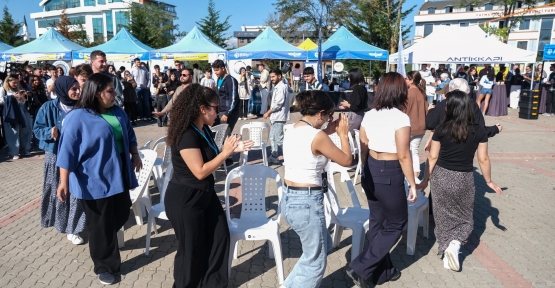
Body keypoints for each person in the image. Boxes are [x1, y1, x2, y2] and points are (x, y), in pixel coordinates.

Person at [56, 73, 142, 285]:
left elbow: (129, 134)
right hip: (92, 179)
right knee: (100, 224)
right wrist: (63, 181)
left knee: (121, 212)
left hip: (119, 174)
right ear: (96, 93)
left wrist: (135, 153)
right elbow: (67, 151)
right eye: (110, 91)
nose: (115, 95)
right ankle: (104, 266)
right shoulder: (78, 118)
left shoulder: (118, 112)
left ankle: (102, 240)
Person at [164, 83, 253, 287]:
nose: (219, 113)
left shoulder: (203, 129)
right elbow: (200, 171)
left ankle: (212, 283)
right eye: (216, 108)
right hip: (186, 199)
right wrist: (225, 153)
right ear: (202, 109)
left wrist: (233, 149)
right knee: (191, 251)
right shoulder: (186, 134)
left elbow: (211, 154)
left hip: (205, 194)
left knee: (220, 238)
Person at [347, 72, 418, 287]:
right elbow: (404, 154)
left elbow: (364, 144)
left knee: (378, 221)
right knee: (397, 223)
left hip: (371, 167)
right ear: (399, 91)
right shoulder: (400, 118)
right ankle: (361, 266)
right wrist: (413, 184)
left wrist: (365, 170)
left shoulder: (371, 114)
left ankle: (382, 272)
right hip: (389, 170)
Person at [419, 90, 502, 272]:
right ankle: (455, 245)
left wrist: (425, 179)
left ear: (452, 108)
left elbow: (432, 158)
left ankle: (447, 247)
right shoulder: (479, 130)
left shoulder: (441, 129)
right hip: (464, 178)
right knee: (465, 217)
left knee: (442, 216)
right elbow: (483, 159)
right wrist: (488, 181)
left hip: (441, 177)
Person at [282, 90, 352, 287]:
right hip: (306, 203)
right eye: (329, 116)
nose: (329, 119)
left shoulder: (293, 128)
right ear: (321, 113)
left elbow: (311, 144)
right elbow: (347, 160)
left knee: (321, 248)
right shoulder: (318, 136)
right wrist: (343, 135)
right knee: (315, 262)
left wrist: (328, 131)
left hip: (289, 199)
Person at [34, 76, 86, 245]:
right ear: (63, 90)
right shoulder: (48, 107)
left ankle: (74, 228)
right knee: (60, 193)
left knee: (76, 194)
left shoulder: (84, 107)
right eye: (74, 88)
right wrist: (50, 132)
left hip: (78, 157)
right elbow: (37, 129)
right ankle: (62, 224)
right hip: (55, 156)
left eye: (78, 87)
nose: (78, 91)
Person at [1, 74, 32, 159]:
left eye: (17, 82)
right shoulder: (3, 89)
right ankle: (13, 152)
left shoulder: (18, 89)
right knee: (12, 132)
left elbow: (22, 102)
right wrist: (11, 97)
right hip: (9, 112)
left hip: (19, 110)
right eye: (14, 82)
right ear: (8, 82)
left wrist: (22, 97)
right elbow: (1, 100)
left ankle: (24, 150)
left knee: (24, 129)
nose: (16, 84)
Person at [263, 69, 290, 164]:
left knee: (279, 139)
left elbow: (278, 103)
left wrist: (268, 112)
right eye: (271, 77)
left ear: (279, 76)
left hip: (279, 116)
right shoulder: (277, 86)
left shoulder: (282, 87)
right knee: (272, 137)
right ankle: (274, 156)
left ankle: (290, 156)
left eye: (273, 76)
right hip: (275, 116)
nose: (272, 79)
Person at [405, 71, 428, 178]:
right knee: (414, 151)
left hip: (409, 127)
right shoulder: (422, 93)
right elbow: (426, 110)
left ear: (411, 80)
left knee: (406, 152)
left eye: (406, 78)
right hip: (421, 127)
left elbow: (403, 111)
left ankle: (408, 175)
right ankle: (415, 175)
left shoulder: (408, 93)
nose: (405, 80)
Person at [212, 60, 240, 137]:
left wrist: (227, 113)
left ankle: (227, 148)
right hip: (220, 111)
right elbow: (219, 95)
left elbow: (233, 98)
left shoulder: (231, 80)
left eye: (217, 70)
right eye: (214, 71)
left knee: (224, 136)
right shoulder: (219, 79)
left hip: (229, 112)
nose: (216, 72)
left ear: (223, 68)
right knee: (214, 133)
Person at [339, 68, 368, 135]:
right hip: (361, 115)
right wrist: (347, 105)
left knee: (348, 135)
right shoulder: (363, 88)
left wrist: (347, 104)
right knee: (355, 136)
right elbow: (361, 105)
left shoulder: (357, 89)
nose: (348, 79)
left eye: (350, 77)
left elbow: (355, 107)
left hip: (355, 116)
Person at [131, 57, 152, 122]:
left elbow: (149, 78)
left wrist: (148, 86)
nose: (139, 63)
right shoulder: (133, 70)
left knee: (146, 103)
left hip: (145, 88)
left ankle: (148, 116)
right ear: (135, 63)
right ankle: (141, 117)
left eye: (139, 62)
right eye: (137, 62)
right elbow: (131, 80)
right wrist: (133, 87)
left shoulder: (144, 69)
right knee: (138, 103)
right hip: (137, 89)